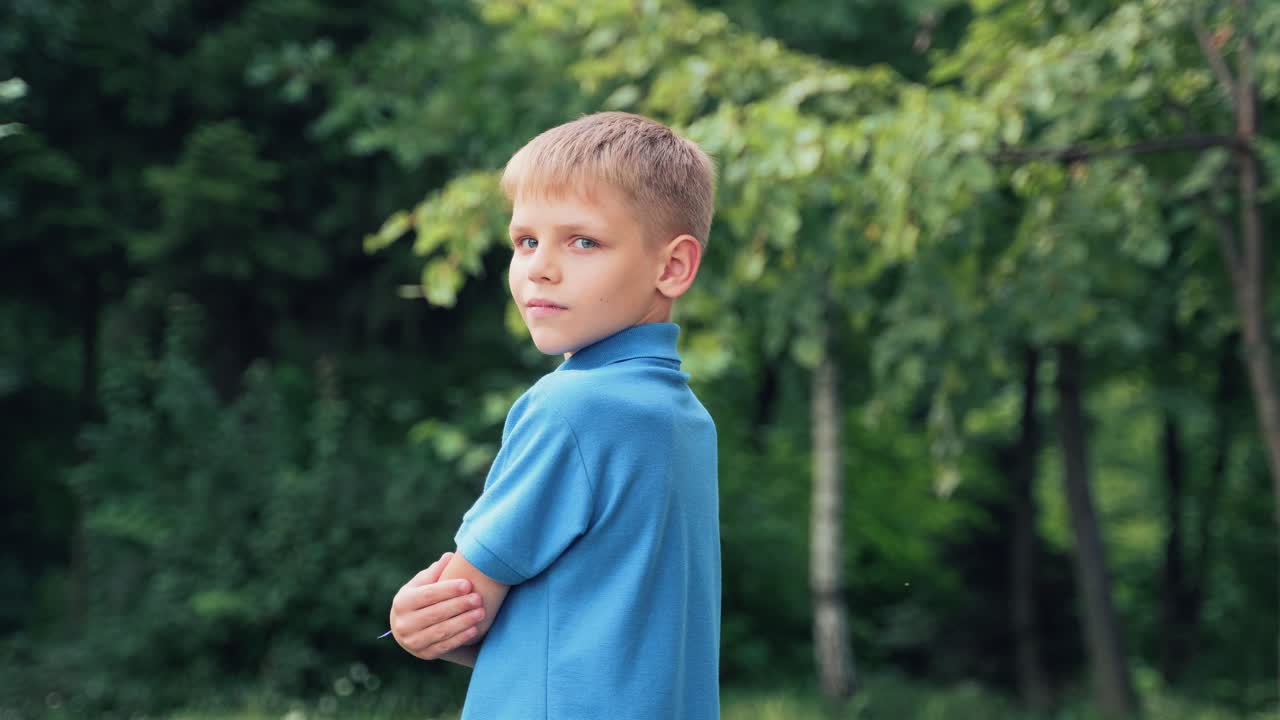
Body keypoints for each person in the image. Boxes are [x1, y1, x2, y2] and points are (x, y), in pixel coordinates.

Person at [388, 111, 720, 719]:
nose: (540, 265)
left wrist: (414, 621)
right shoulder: (683, 418)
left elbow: (461, 610)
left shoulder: (573, 406)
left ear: (672, 267)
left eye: (583, 240)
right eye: (526, 241)